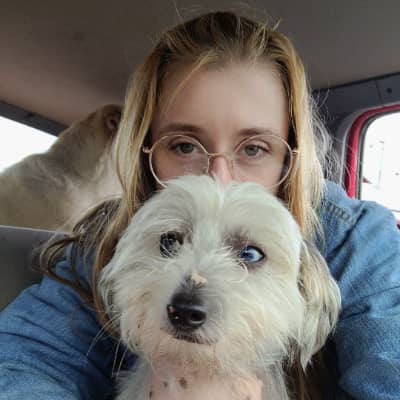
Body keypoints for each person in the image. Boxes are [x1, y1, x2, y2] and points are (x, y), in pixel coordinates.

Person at [0, 10, 399, 400]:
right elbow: (28, 360)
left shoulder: (357, 239)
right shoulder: (110, 241)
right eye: (184, 146)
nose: (218, 178)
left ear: (291, 155)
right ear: (146, 153)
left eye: (254, 148)